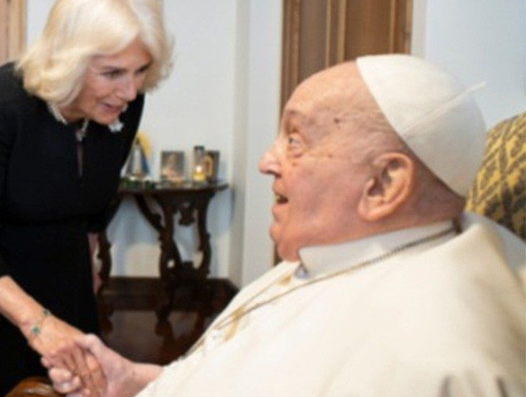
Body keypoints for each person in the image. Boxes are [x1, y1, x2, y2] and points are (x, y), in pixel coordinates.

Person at [46, 55, 526, 396]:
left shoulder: (435, 356)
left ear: (384, 183)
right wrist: (137, 382)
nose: (266, 161)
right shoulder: (343, 251)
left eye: (295, 140)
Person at [0, 0, 174, 395]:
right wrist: (38, 323)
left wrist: (87, 266)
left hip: (63, 274)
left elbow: (95, 204)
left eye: (140, 71)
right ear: (68, 60)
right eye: (112, 73)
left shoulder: (124, 103)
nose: (129, 91)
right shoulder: (0, 103)